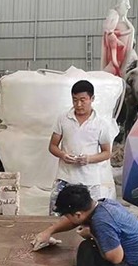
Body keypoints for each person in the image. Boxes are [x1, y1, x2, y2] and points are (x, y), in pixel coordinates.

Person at [48, 80, 115, 215]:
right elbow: (52, 146)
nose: (78, 104)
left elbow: (107, 153)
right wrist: (63, 155)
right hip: (65, 177)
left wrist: (88, 159)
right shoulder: (63, 119)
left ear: (92, 99)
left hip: (90, 180)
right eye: (75, 100)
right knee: (57, 213)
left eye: (83, 100)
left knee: (90, 217)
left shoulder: (100, 124)